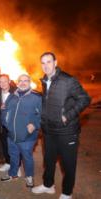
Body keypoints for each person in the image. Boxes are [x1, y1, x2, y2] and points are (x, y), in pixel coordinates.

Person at [32, 52, 91, 199]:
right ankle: (48, 185)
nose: (46, 65)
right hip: (49, 130)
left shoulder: (68, 80)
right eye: (43, 63)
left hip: (67, 131)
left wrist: (68, 116)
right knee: (49, 160)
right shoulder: (45, 81)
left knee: (68, 164)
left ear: (55, 62)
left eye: (49, 62)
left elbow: (85, 99)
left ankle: (66, 193)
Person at [0, 74, 41, 188]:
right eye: (21, 81)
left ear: (30, 82)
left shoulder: (36, 97)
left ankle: (29, 177)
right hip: (12, 134)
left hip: (27, 136)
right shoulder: (12, 96)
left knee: (27, 157)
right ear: (17, 83)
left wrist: (35, 124)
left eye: (26, 81)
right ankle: (13, 174)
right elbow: (4, 110)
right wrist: (6, 124)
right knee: (13, 155)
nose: (23, 83)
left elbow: (43, 115)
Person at [0, 74, 16, 172]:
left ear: (9, 81)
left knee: (15, 146)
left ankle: (16, 165)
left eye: (5, 81)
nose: (3, 83)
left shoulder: (16, 92)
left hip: (14, 125)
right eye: (1, 82)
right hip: (2, 125)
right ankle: (8, 163)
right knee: (5, 145)